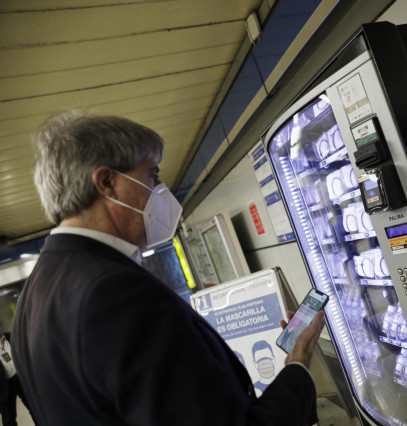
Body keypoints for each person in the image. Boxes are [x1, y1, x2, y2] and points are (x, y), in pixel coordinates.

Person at [12, 111, 326, 426]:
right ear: (107, 182)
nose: (161, 188)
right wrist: (297, 366)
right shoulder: (115, 292)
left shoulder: (34, 297)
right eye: (152, 173)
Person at [0, 321, 30, 426]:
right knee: (9, 420)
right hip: (3, 387)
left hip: (20, 379)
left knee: (35, 410)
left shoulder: (11, 337)